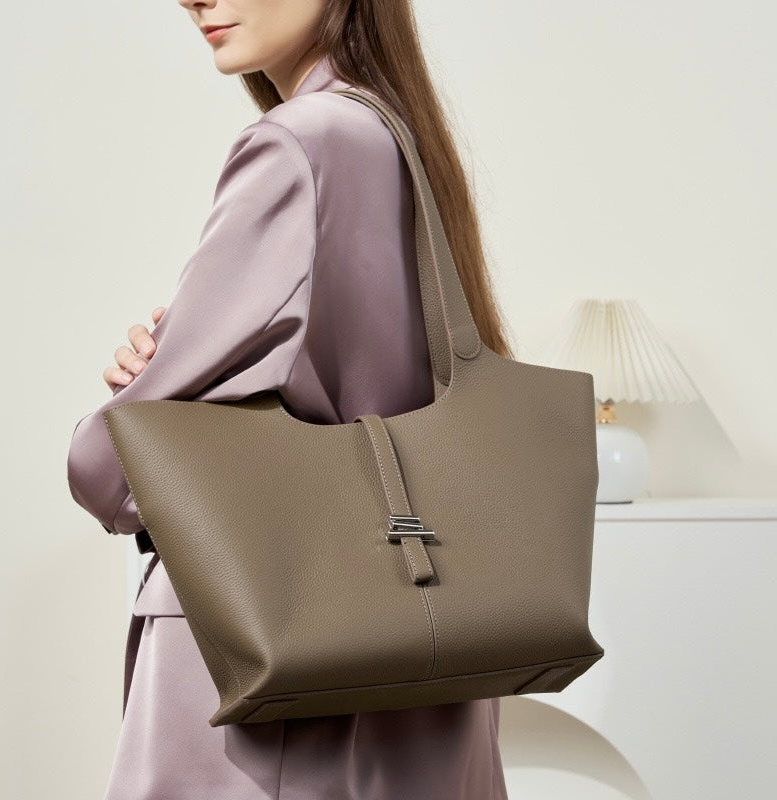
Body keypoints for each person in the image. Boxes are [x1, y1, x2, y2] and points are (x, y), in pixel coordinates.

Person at [67, 1, 515, 797]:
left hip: (267, 700)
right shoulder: (397, 137)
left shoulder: (301, 143)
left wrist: (141, 395)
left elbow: (110, 469)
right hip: (422, 685)